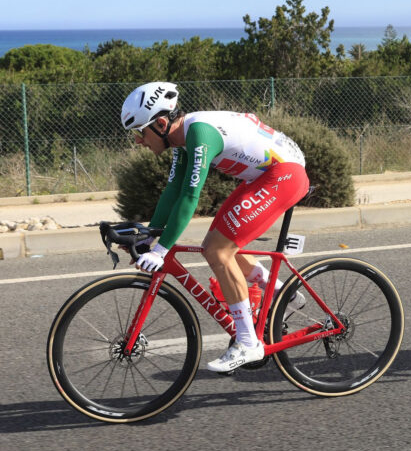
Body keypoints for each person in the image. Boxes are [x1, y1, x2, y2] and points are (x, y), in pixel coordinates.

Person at [120, 81, 309, 372]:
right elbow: (173, 190)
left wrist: (161, 250)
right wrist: (151, 233)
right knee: (219, 244)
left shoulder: (199, 133)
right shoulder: (181, 140)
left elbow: (190, 196)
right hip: (265, 177)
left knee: (218, 251)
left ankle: (248, 344)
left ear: (160, 123)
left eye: (140, 132)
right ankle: (281, 292)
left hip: (285, 175)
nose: (139, 141)